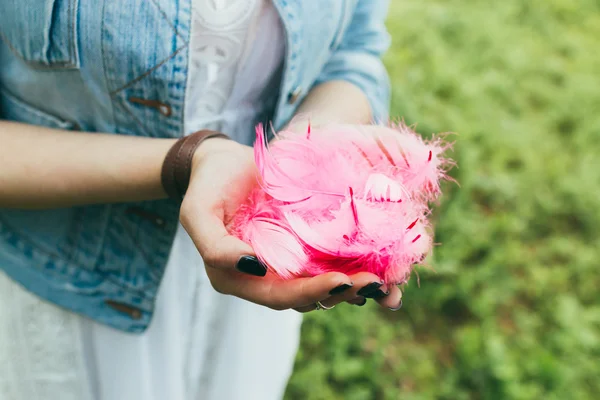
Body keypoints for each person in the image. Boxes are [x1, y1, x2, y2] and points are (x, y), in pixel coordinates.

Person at [0, 0, 402, 399]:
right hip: (76, 283)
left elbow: (353, 50)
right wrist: (184, 162)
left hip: (268, 255)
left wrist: (306, 161)